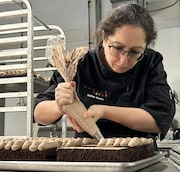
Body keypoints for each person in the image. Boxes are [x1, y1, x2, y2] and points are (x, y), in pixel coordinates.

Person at [34, 3, 175, 145]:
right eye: (117, 47)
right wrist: (59, 106)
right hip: (88, 153)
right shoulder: (80, 64)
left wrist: (104, 111)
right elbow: (39, 114)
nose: (123, 60)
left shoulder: (150, 62)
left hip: (138, 152)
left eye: (135, 52)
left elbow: (159, 119)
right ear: (104, 36)